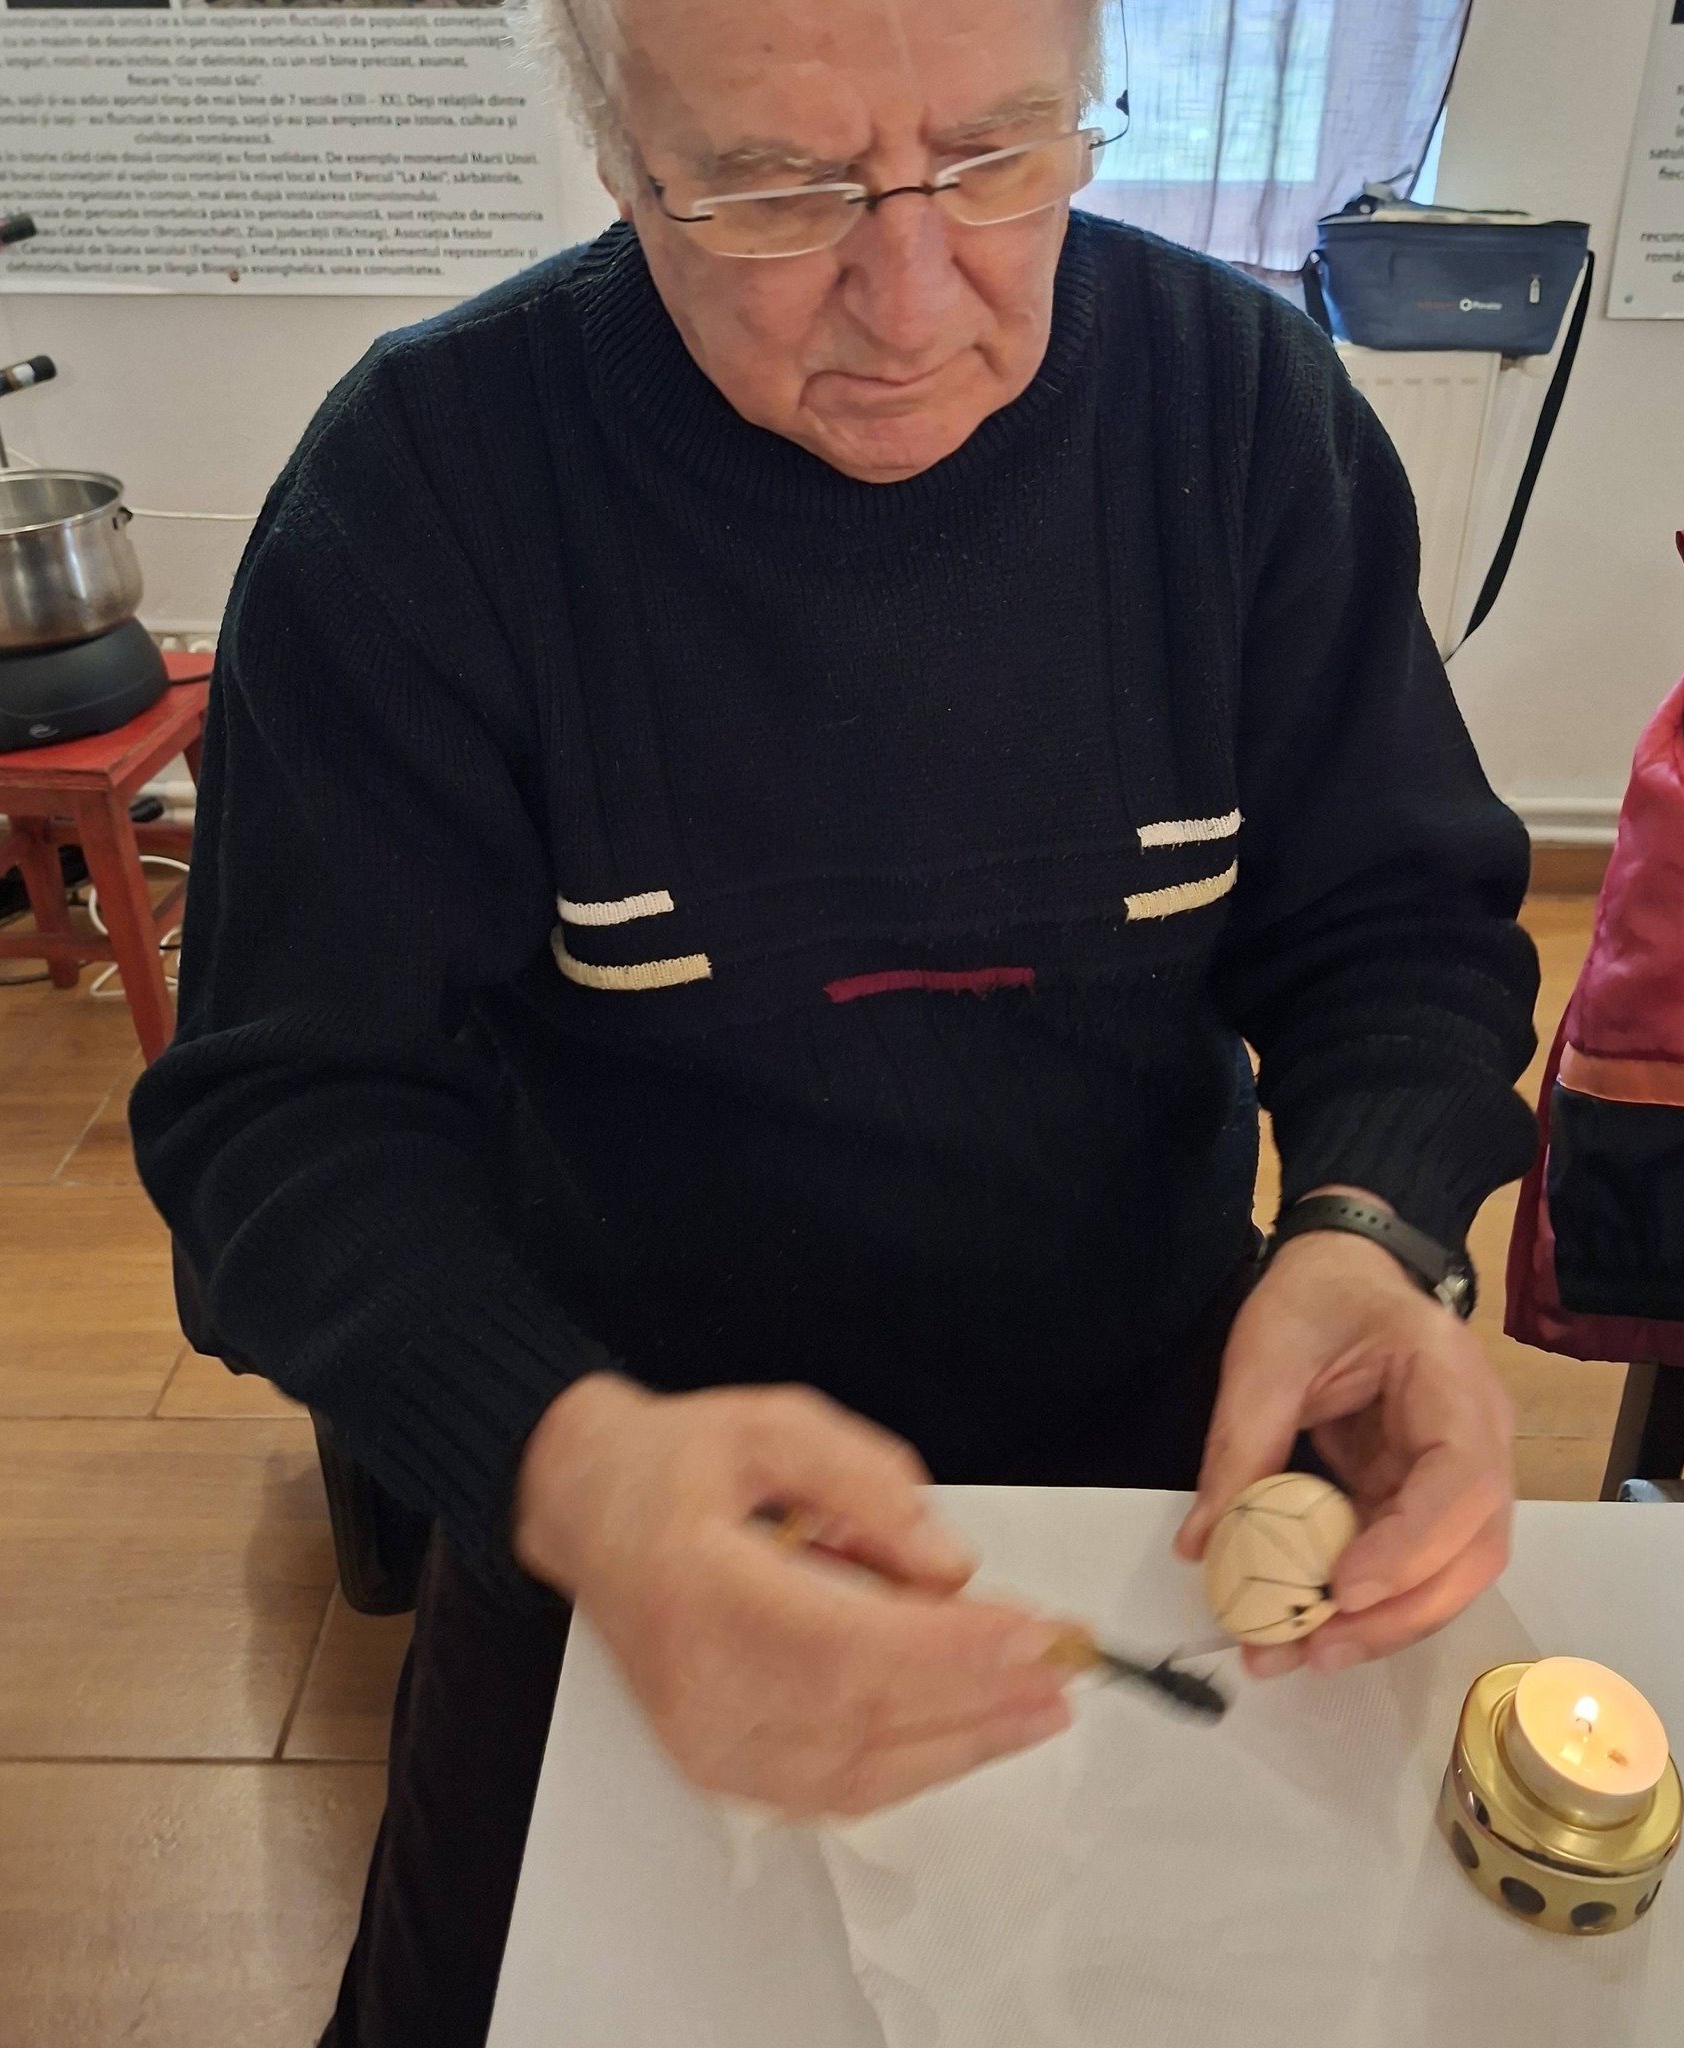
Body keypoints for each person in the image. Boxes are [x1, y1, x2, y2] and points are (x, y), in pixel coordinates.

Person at [130, 0, 1539, 2039]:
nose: (912, 298)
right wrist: (569, 1465)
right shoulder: (424, 492)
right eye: (778, 190)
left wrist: (1375, 1232)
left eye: (996, 159)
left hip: (1163, 1462)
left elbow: (1392, 924)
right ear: (621, 161)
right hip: (613, 1483)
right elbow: (279, 1126)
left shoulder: (1238, 414)